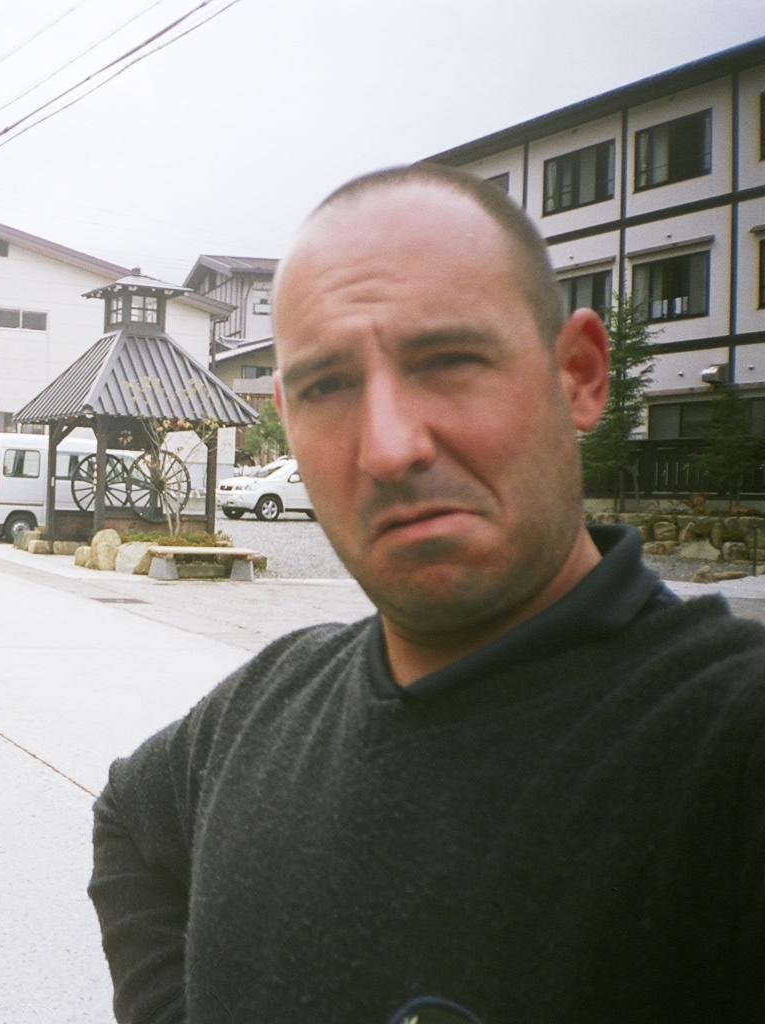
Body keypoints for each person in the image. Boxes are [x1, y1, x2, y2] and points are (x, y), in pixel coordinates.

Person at [87, 164, 765, 1024]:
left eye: (449, 362)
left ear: (580, 376)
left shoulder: (727, 746)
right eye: (328, 386)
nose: (390, 447)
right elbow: (128, 825)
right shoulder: (261, 711)